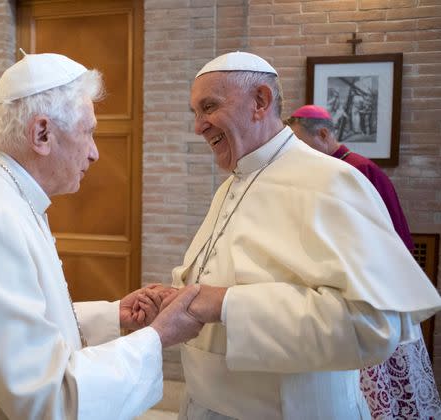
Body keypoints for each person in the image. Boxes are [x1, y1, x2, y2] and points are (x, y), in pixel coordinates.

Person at [0, 52, 204, 420]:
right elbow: (47, 398)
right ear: (42, 133)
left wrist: (111, 315)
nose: (95, 152)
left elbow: (13, 325)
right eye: (88, 132)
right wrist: (157, 338)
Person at [158, 51, 441, 419]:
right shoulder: (232, 184)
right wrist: (183, 295)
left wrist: (224, 304)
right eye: (195, 113)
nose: (198, 126)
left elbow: (373, 325)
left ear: (260, 101)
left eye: (209, 107)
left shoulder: (330, 181)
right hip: (205, 405)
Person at [286, 104, 441, 419]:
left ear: (325, 134)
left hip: (370, 291)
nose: (296, 153)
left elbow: (387, 239)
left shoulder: (357, 170)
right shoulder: (323, 171)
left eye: (299, 143)